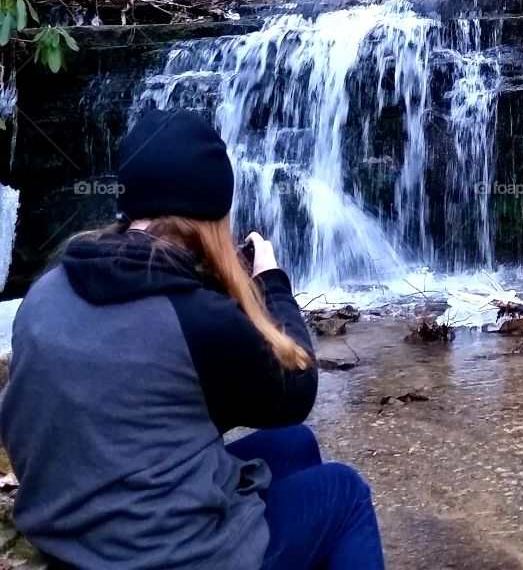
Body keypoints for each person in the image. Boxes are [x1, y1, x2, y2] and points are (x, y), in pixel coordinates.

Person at [0, 108, 386, 570]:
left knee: (293, 444)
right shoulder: (195, 319)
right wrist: (271, 282)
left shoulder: (45, 291)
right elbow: (296, 388)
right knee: (344, 493)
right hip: (160, 556)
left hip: (72, 534)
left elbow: (153, 399)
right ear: (212, 218)